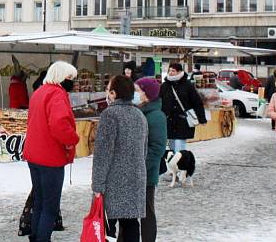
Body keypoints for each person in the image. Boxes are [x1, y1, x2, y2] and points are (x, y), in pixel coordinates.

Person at [22, 61, 80, 242]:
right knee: (50, 206)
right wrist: (73, 140)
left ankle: (35, 236)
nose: (73, 82)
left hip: (34, 155)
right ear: (62, 76)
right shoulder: (57, 94)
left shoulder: (39, 92)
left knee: (39, 202)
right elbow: (59, 124)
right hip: (51, 158)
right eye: (70, 78)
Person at [92, 75, 148, 242]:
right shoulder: (139, 115)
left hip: (113, 181)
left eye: (108, 89)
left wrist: (97, 184)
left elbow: (103, 154)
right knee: (131, 224)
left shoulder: (109, 115)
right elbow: (143, 150)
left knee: (108, 227)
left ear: (114, 93)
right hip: (135, 179)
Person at [135, 78, 167, 242]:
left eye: (138, 90)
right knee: (130, 214)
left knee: (146, 212)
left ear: (146, 94)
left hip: (146, 174)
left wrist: (140, 168)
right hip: (134, 171)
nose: (135, 94)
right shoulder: (139, 111)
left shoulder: (156, 116)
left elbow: (157, 148)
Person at [160, 62, 207, 152]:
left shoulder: (187, 85)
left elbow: (197, 102)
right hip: (169, 121)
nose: (170, 72)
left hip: (183, 121)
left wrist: (202, 118)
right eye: (169, 70)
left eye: (173, 71)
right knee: (172, 147)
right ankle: (173, 163)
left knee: (179, 147)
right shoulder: (165, 86)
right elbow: (160, 101)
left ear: (179, 71)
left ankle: (180, 163)